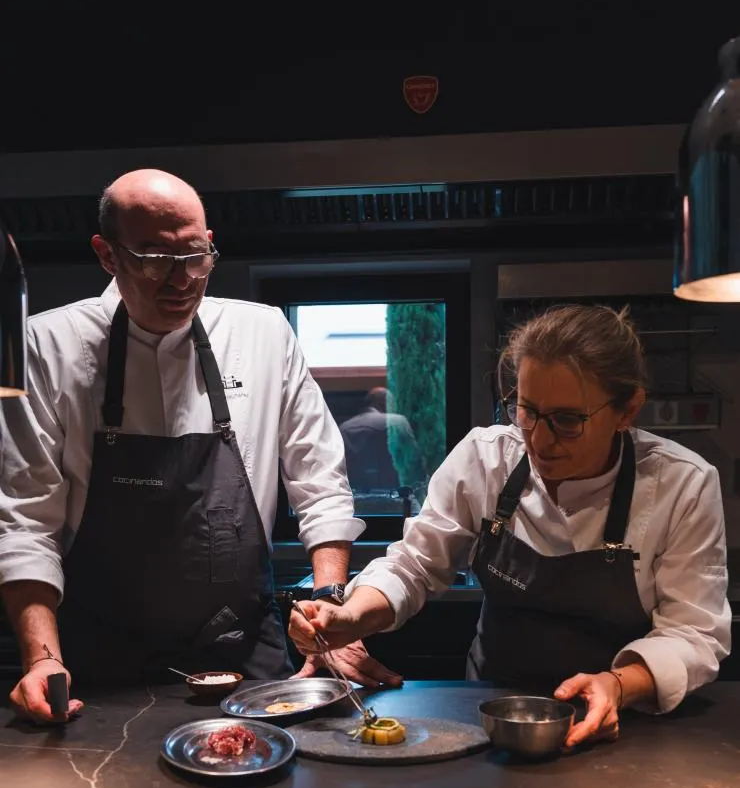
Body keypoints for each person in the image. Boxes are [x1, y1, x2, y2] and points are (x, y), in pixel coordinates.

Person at [0, 169, 401, 723]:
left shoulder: (263, 334)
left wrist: (331, 613)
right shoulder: (47, 347)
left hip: (243, 650)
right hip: (102, 663)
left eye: (197, 255)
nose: (183, 279)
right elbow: (25, 523)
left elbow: (320, 483)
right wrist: (41, 658)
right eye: (155, 260)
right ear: (107, 254)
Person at [290, 303, 731, 747]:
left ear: (626, 411)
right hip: (493, 712)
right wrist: (350, 616)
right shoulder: (486, 460)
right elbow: (415, 565)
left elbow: (694, 632)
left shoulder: (681, 485)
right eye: (526, 410)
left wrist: (619, 684)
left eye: (566, 421)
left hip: (622, 720)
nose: (539, 440)